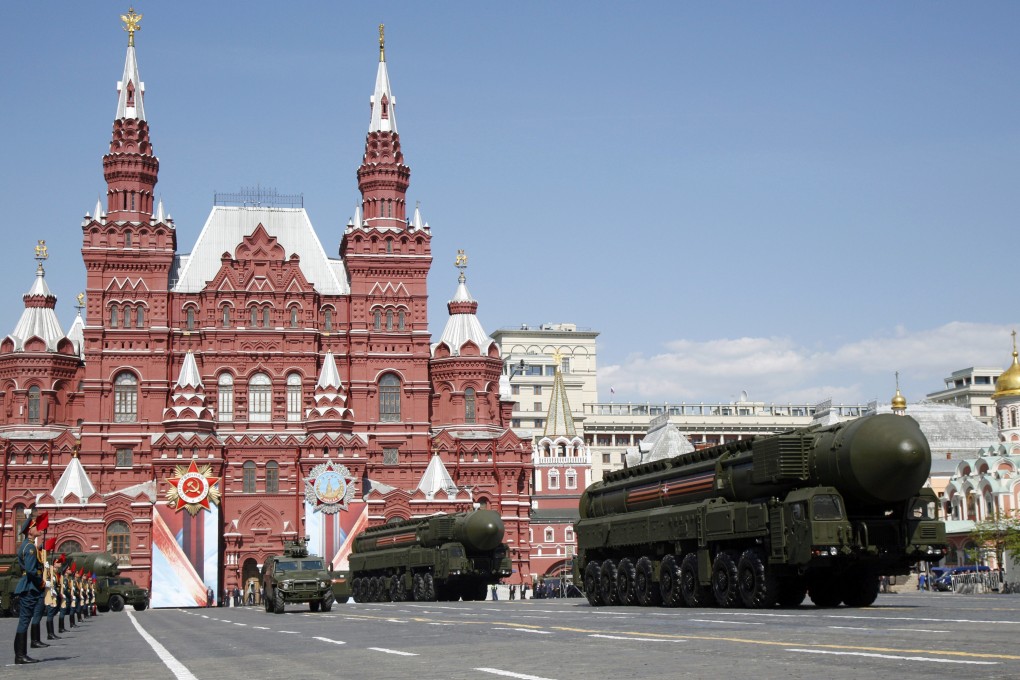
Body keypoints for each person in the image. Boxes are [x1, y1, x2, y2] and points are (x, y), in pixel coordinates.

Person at [13, 510, 47, 664]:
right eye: (36, 526)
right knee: (25, 620)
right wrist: (41, 581)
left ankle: (21, 655)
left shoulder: (28, 546)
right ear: (30, 530)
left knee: (24, 620)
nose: (39, 528)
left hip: (29, 585)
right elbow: (31, 570)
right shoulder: (30, 548)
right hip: (30, 587)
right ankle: (20, 656)